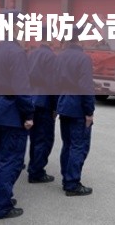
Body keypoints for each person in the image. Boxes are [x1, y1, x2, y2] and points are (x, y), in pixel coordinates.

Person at [0, 10, 34, 220]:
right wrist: (29, 114)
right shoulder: (16, 52)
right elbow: (21, 87)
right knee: (11, 161)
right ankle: (0, 206)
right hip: (12, 113)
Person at [56, 29, 95, 196]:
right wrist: (89, 111)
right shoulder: (83, 58)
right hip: (77, 107)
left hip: (64, 104)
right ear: (80, 39)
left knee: (67, 144)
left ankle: (66, 178)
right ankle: (72, 183)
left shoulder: (60, 56)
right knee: (78, 146)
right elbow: (86, 86)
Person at [27, 37, 58, 184]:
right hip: (44, 102)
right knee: (44, 138)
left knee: (34, 137)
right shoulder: (50, 56)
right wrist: (55, 107)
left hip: (32, 100)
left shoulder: (32, 54)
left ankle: (33, 167)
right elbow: (53, 84)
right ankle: (37, 171)